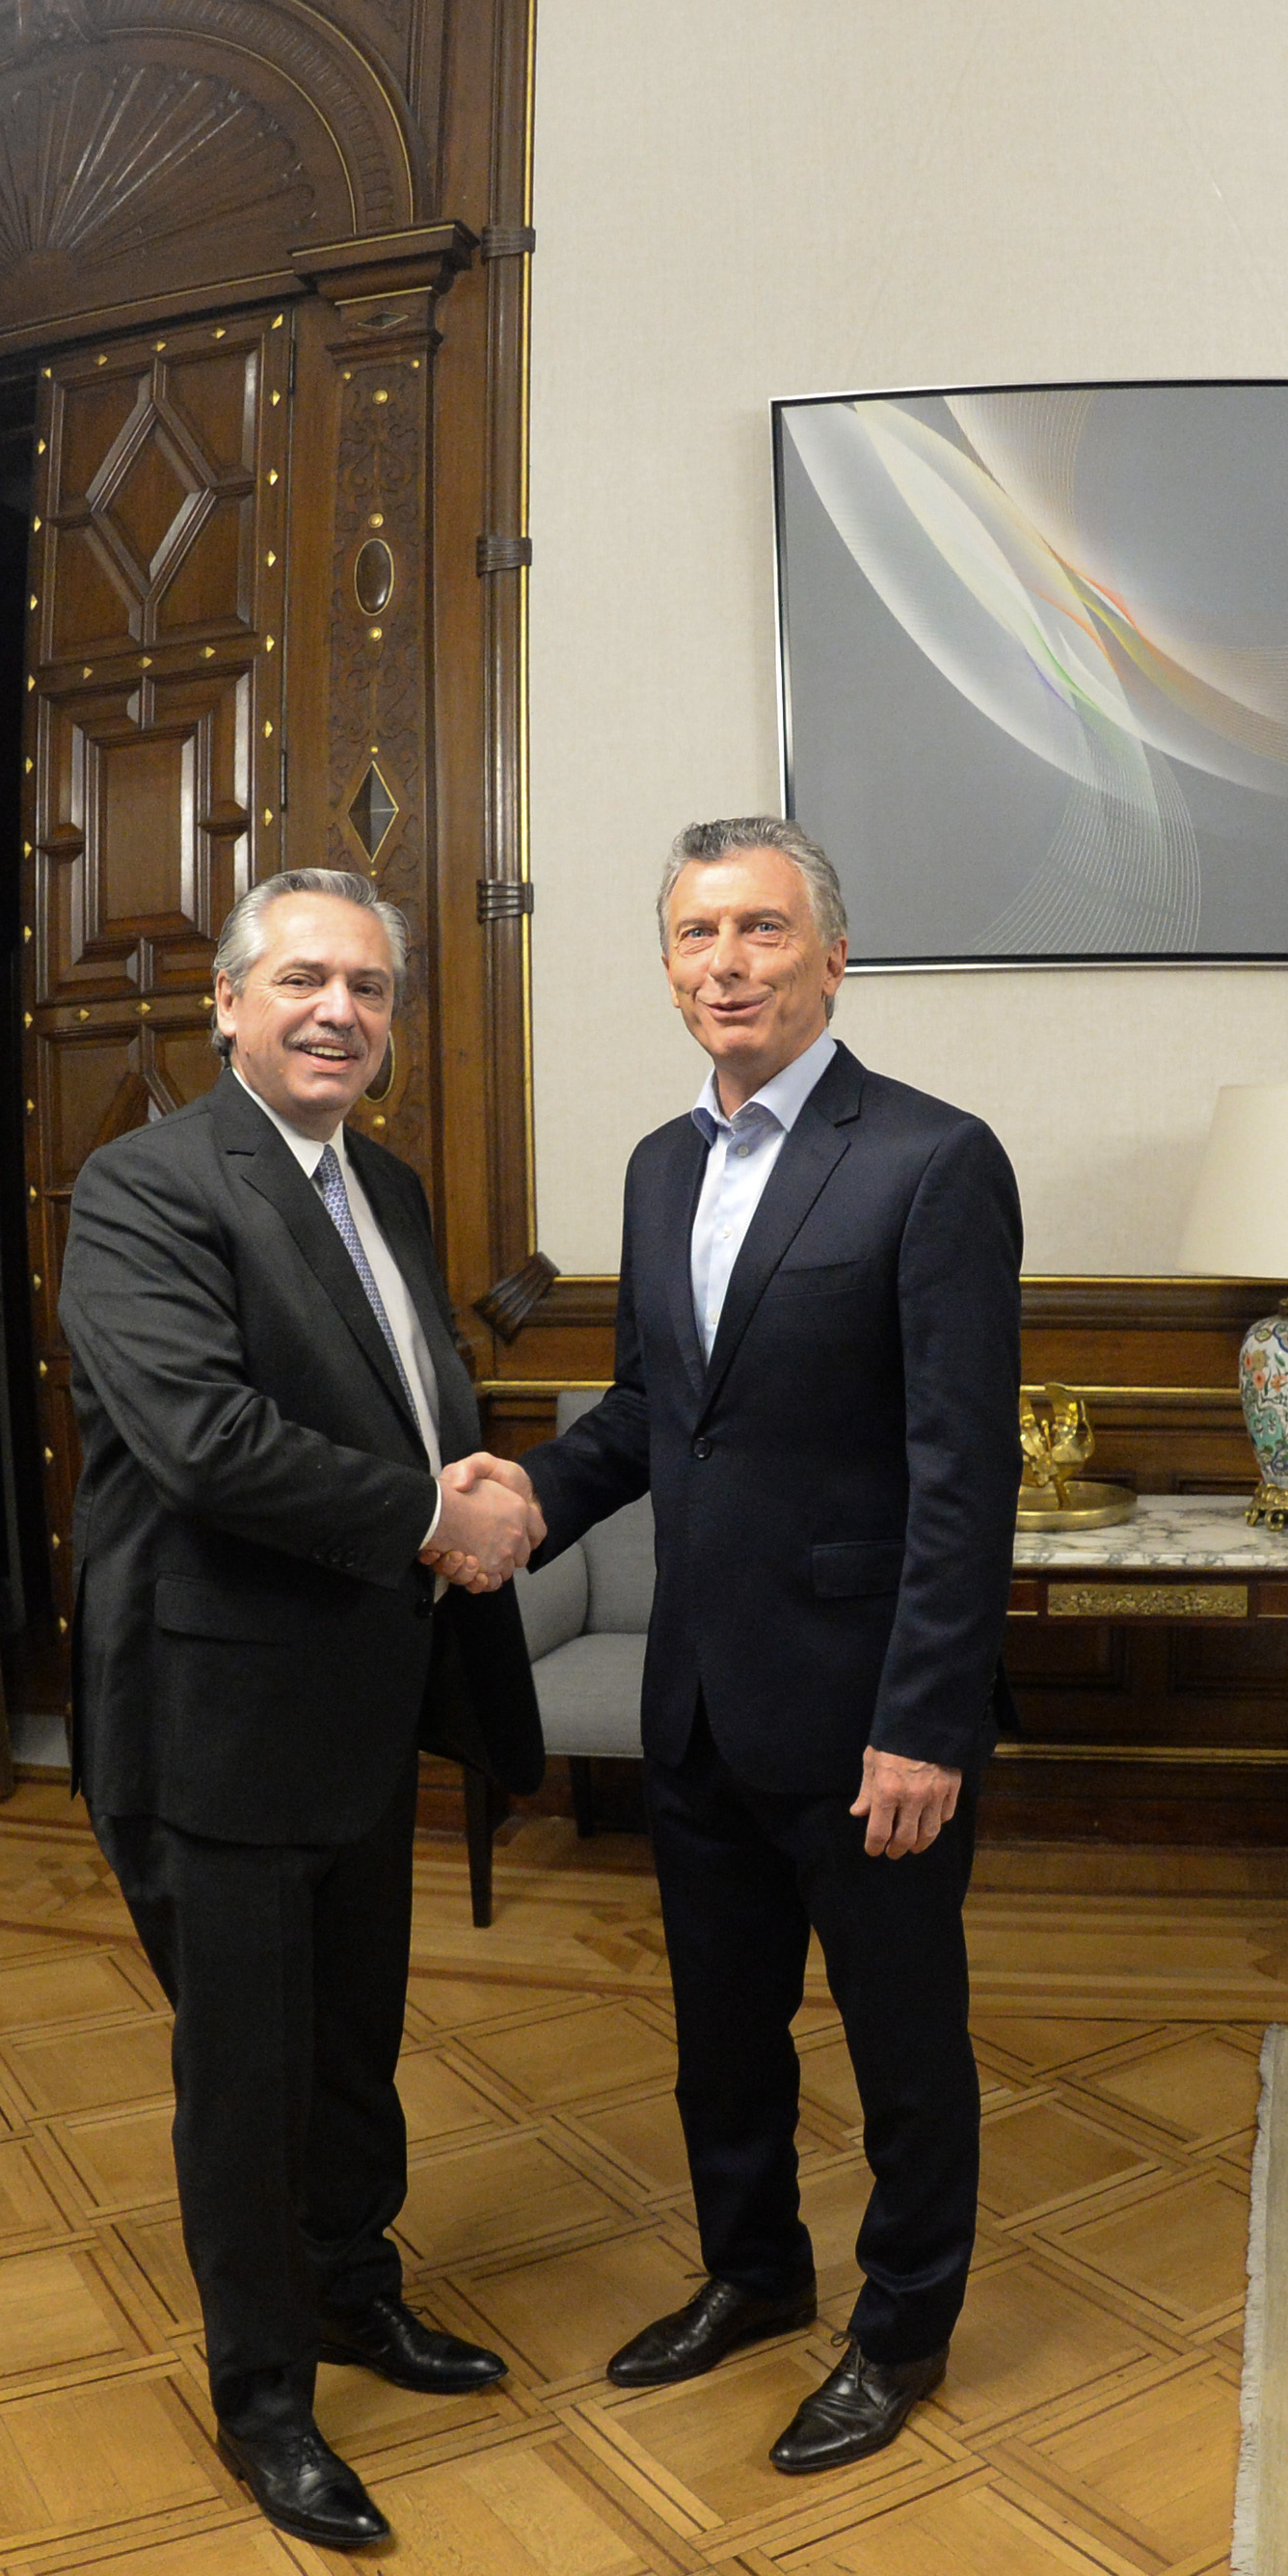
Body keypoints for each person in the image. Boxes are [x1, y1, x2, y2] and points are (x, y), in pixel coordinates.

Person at [463, 813, 1021, 2473]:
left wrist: (925, 1720)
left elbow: (960, 1467)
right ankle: (753, 2279)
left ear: (832, 958)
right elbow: (656, 1414)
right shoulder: (654, 1167)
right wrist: (528, 1502)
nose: (730, 964)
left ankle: (898, 2332)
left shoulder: (932, 1158)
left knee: (905, 2049)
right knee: (723, 2035)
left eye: (765, 933)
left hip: (869, 1722)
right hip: (696, 1701)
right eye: (700, 936)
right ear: (667, 966)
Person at [59, 865, 547, 2549]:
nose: (341, 1011)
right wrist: (436, 1517)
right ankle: (266, 2399)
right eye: (303, 981)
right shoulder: (142, 1189)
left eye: (371, 988)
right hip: (214, 1728)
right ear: (227, 1003)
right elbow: (204, 1442)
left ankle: (356, 2293)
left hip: (354, 1709)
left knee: (351, 2052)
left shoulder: (383, 1186)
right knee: (249, 2082)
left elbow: (389, 1393)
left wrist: (453, 1464)